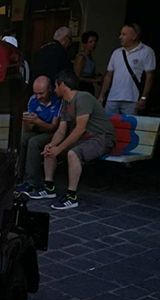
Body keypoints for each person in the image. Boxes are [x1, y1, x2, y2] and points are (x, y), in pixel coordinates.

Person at [42, 71, 114, 210]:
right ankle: (49, 187)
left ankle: (71, 197)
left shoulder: (83, 97)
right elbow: (61, 130)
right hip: (86, 139)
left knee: (73, 153)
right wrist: (52, 145)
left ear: (62, 85)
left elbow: (80, 129)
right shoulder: (65, 102)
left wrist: (59, 148)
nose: (54, 90)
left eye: (55, 86)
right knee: (50, 149)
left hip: (102, 138)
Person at [15, 75, 62, 199]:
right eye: (35, 93)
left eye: (41, 93)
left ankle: (32, 182)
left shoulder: (57, 101)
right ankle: (18, 176)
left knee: (34, 142)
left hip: (52, 133)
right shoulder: (33, 100)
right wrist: (27, 122)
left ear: (50, 89)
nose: (38, 97)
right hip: (37, 129)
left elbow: (54, 127)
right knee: (23, 138)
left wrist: (37, 121)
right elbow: (30, 126)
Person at [98, 23, 156, 115]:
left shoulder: (146, 51)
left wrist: (143, 98)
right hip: (112, 98)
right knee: (108, 123)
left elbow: (149, 77)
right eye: (120, 34)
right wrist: (102, 96)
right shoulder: (116, 53)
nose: (120, 37)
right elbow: (109, 76)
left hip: (132, 99)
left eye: (124, 34)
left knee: (129, 124)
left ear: (134, 36)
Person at [74, 31, 101, 95]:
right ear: (85, 43)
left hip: (89, 88)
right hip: (81, 88)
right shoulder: (81, 57)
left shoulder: (90, 57)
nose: (93, 44)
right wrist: (95, 80)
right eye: (90, 42)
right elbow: (77, 77)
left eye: (95, 41)